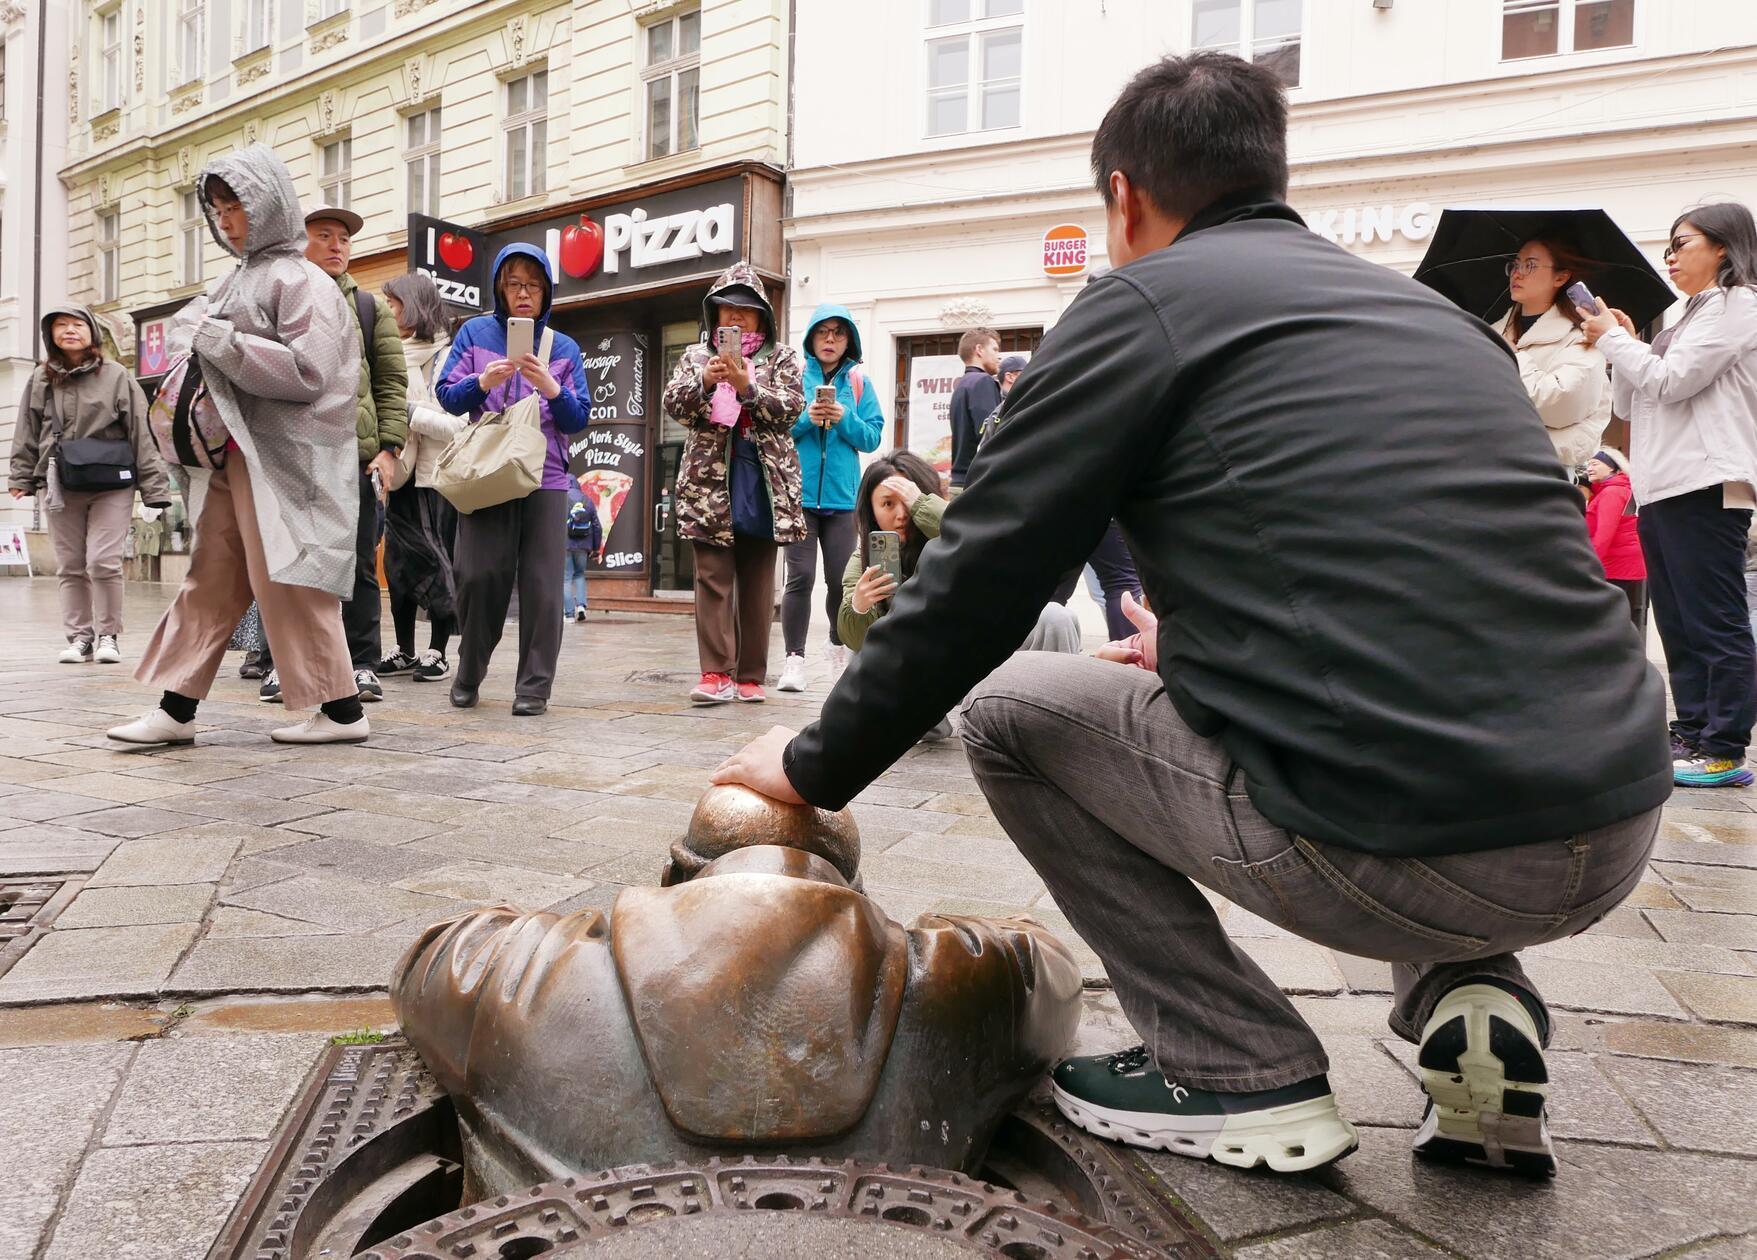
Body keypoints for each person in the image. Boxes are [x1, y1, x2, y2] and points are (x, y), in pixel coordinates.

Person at [713, 53, 1667, 1180]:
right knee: (1428, 672)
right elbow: (1426, 583)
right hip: (1610, 820)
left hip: (1398, 850)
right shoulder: (1432, 317)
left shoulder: (1138, 303)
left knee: (1014, 706)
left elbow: (982, 575)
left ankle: (1229, 1067)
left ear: (1123, 194)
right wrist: (1214, 642)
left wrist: (815, 765)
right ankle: (1472, 993)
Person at [107, 146, 367, 747]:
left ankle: (345, 711)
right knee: (214, 574)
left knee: (289, 577)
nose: (226, 221)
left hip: (283, 458)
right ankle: (177, 707)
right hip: (240, 452)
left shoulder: (302, 280)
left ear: (268, 203)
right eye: (218, 209)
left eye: (237, 206)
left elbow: (311, 373)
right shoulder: (239, 277)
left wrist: (215, 338)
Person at [1584, 201, 1757, 788]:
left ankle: (1726, 746)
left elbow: (1672, 380)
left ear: (1725, 249)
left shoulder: (1738, 306)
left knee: (1714, 618)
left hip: (1706, 481)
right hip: (1661, 485)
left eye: (1683, 243)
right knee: (1679, 622)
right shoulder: (1686, 318)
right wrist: (1629, 344)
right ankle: (1692, 729)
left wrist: (1615, 342)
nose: (1672, 256)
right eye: (1670, 245)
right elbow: (1633, 404)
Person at [436, 245, 588, 717]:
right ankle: (469, 670)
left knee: (544, 586)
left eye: (535, 285)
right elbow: (446, 396)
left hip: (546, 477)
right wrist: (481, 382)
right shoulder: (474, 333)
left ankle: (534, 687)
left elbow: (578, 417)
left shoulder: (563, 349)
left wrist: (552, 387)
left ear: (547, 292)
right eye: (515, 284)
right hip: (487, 473)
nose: (525, 294)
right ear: (501, 288)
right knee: (479, 577)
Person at [661, 262, 806, 706]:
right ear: (715, 316)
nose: (737, 319)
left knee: (759, 582)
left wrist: (749, 388)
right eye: (728, 311)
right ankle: (714, 673)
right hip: (709, 483)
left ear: (763, 316)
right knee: (712, 577)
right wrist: (706, 381)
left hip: (763, 479)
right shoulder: (694, 357)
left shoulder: (781, 358)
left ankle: (750, 676)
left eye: (747, 311)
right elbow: (675, 406)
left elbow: (791, 409)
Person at [9, 305, 172, 664]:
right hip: (61, 480)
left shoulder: (116, 375)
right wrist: (22, 477)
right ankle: (80, 637)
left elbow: (140, 433)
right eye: (60, 326)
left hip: (111, 482)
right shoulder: (41, 378)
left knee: (103, 562)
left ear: (92, 334)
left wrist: (155, 489)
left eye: (77, 325)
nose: (69, 330)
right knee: (70, 564)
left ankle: (109, 635)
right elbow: (27, 430)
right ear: (50, 335)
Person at [840, 450, 1081, 656]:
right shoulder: (863, 561)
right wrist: (859, 606)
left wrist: (922, 507)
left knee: (1056, 618)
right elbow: (854, 640)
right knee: (862, 657)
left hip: (979, 643)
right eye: (888, 504)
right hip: (919, 661)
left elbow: (983, 545)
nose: (901, 514)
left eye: (907, 500)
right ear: (871, 511)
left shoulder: (946, 535)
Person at [777, 305, 884, 693]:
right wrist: (808, 416)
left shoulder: (858, 383)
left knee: (841, 582)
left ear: (848, 340)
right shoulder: (792, 379)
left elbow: (872, 437)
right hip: (800, 498)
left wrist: (843, 418)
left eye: (838, 333)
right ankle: (794, 660)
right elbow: (778, 430)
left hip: (842, 502)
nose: (830, 340)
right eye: (823, 332)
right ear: (811, 338)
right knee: (800, 578)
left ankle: (838, 647)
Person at [377, 270, 460, 682]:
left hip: (435, 480)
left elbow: (458, 425)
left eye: (394, 304)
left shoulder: (446, 356)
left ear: (414, 305)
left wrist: (409, 412)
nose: (389, 312)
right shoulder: (392, 353)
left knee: (434, 564)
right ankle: (405, 649)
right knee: (398, 568)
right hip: (401, 479)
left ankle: (438, 651)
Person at [1499, 235, 1610, 477]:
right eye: (1515, 264)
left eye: (1530, 265)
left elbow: (1557, 404)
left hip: (1544, 471)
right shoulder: (1493, 331)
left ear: (1561, 276)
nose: (1517, 273)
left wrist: (1513, 356)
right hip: (1488, 462)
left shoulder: (1583, 337)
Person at [1582, 448, 1646, 635]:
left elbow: (1604, 533)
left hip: (1613, 562)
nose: (1589, 468)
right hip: (1617, 561)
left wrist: (1590, 563)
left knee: (1605, 615)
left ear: (1612, 468)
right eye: (1588, 464)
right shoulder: (1614, 490)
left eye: (1594, 463)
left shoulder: (1612, 492)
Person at [947, 327, 1001, 495]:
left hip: (959, 481)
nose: (999, 356)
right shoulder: (983, 381)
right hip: (977, 483)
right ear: (979, 350)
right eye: (995, 349)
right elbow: (991, 435)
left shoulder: (962, 384)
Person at [563, 479, 601, 622]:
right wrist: (595, 547)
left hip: (565, 545)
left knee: (566, 579)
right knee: (579, 575)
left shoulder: (562, 499)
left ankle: (569, 614)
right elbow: (597, 526)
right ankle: (581, 605)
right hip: (584, 546)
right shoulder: (587, 500)